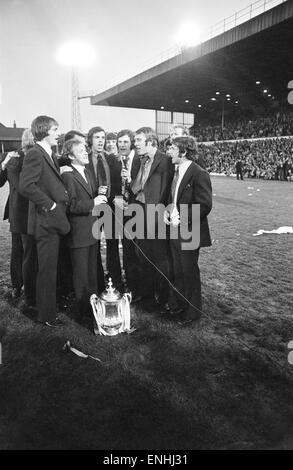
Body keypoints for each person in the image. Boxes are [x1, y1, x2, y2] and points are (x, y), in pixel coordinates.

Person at [19, 115, 70, 327]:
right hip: (46, 220)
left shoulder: (47, 153)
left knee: (50, 268)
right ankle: (47, 316)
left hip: (52, 220)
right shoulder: (35, 153)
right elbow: (26, 186)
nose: (58, 133)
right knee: (47, 270)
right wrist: (50, 205)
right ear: (44, 130)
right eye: (55, 129)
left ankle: (48, 310)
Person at [164, 136, 212, 323]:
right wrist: (168, 212)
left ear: (183, 152)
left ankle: (193, 313)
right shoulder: (176, 171)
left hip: (190, 230)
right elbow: (173, 198)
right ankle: (181, 306)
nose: (169, 152)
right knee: (178, 270)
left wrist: (182, 217)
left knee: (189, 272)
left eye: (173, 149)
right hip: (175, 229)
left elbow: (205, 204)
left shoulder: (199, 173)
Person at [61, 139, 107, 321]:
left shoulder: (87, 171)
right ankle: (83, 313)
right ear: (71, 156)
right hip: (78, 234)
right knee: (81, 276)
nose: (86, 153)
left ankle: (94, 309)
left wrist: (98, 194)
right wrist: (93, 202)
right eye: (80, 152)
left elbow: (88, 198)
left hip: (91, 231)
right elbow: (70, 205)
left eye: (85, 150)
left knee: (92, 274)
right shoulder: (68, 176)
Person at [129, 126, 174, 307]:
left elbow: (170, 189)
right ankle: (147, 295)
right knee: (142, 255)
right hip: (139, 211)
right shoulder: (139, 160)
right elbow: (138, 186)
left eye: (138, 140)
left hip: (157, 215)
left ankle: (164, 298)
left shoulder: (166, 161)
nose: (135, 144)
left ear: (150, 141)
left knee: (160, 258)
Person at [87, 126, 122, 290]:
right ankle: (97, 281)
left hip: (109, 207)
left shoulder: (111, 159)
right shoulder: (83, 158)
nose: (101, 141)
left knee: (113, 244)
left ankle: (115, 279)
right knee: (93, 244)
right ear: (90, 139)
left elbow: (116, 183)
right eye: (97, 137)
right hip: (91, 207)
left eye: (103, 138)